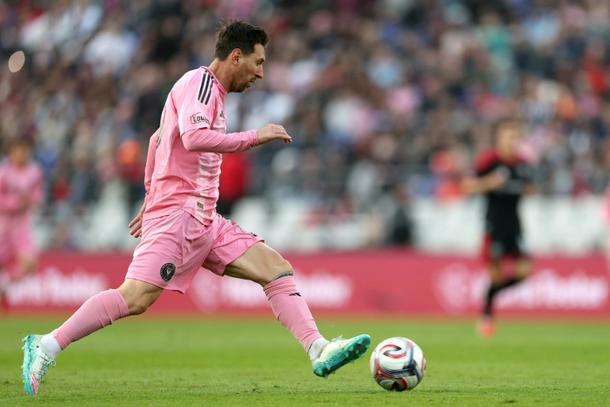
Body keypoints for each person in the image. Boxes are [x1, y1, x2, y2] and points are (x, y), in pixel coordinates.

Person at [21, 20, 370, 395]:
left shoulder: (210, 93)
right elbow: (193, 137)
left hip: (204, 218)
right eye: (258, 62)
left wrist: (150, 194)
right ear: (235, 56)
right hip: (179, 215)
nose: (260, 73)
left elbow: (157, 139)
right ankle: (46, 344)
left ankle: (318, 349)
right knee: (135, 297)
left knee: (275, 268)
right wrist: (255, 137)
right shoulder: (201, 83)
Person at [462, 118, 534, 337]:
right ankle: (487, 315)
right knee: (496, 276)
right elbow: (467, 186)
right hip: (494, 225)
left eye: (515, 136)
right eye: (508, 136)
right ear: (499, 138)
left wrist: (528, 189)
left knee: (525, 271)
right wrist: (489, 183)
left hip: (515, 225)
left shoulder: (522, 163)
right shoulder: (489, 161)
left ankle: (490, 297)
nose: (512, 140)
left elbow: (529, 187)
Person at [0, 138, 43, 309]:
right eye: (18, 151)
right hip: (3, 224)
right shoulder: (4, 172)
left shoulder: (34, 172)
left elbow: (38, 194)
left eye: (24, 151)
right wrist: (15, 202)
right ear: (11, 153)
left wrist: (31, 200)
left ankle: (5, 285)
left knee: (30, 264)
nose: (21, 154)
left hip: (22, 225)